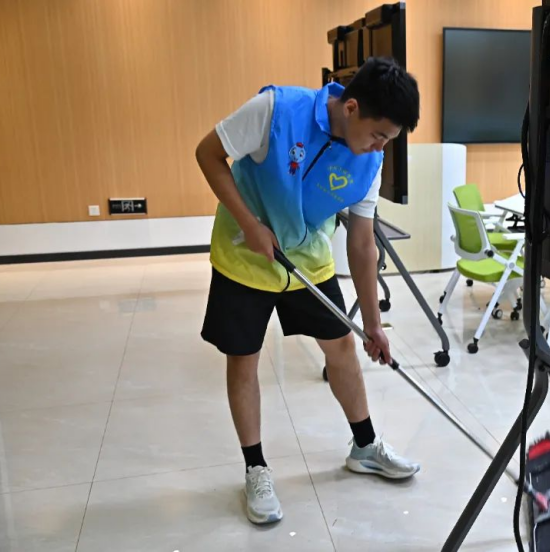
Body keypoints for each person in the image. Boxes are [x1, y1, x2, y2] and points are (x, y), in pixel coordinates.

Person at [194, 57, 421, 525]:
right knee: (245, 359)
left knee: (341, 348)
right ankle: (256, 468)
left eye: (388, 140)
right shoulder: (276, 110)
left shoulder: (369, 161)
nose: (379, 147)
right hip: (245, 252)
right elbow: (207, 154)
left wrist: (373, 324)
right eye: (378, 135)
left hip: (305, 255)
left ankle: (365, 447)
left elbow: (362, 243)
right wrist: (249, 223)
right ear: (351, 108)